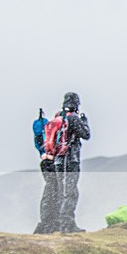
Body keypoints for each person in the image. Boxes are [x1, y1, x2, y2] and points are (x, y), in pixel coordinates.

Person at [52, 92, 90, 233]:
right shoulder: (73, 118)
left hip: (57, 161)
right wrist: (84, 120)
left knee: (60, 192)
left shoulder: (58, 118)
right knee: (71, 191)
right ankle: (67, 224)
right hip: (71, 159)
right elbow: (86, 134)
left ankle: (58, 222)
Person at [32, 109, 59, 234]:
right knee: (54, 191)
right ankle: (50, 222)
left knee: (50, 191)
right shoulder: (57, 129)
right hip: (52, 162)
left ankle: (48, 222)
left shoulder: (47, 129)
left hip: (46, 162)